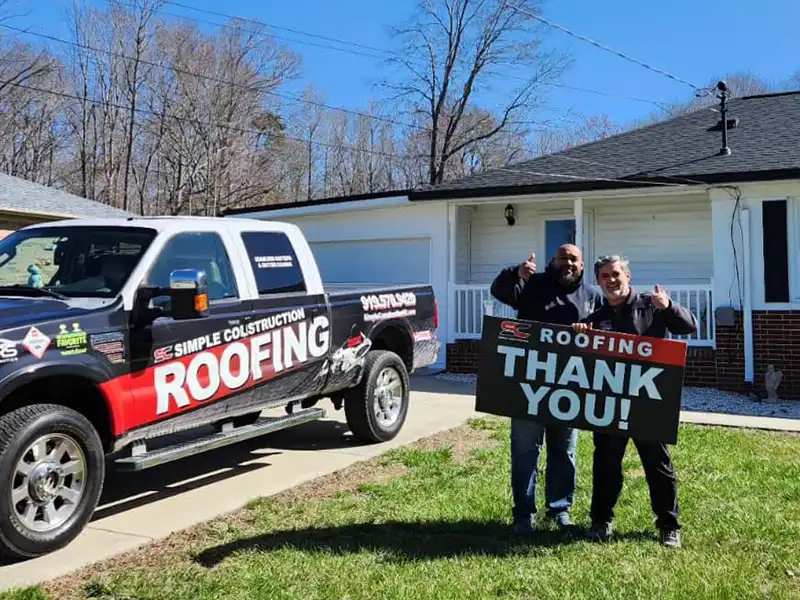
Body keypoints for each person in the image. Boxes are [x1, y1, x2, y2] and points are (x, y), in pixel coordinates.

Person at [572, 254, 698, 548]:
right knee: (605, 464)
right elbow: (581, 352)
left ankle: (669, 525)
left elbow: (688, 326)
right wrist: (580, 332)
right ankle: (601, 522)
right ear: (598, 281)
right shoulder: (598, 317)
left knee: (658, 464)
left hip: (647, 403)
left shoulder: (651, 305)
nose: (610, 280)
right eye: (604, 276)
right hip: (610, 404)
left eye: (615, 274)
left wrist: (669, 307)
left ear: (627, 276)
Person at [490, 244, 603, 533]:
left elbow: (604, 332)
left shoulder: (592, 296)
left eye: (573, 259)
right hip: (529, 383)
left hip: (570, 385)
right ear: (552, 261)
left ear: (582, 264)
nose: (568, 263)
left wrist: (589, 332)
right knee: (525, 450)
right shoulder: (532, 285)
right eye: (562, 258)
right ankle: (523, 513)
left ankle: (560, 509)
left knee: (564, 451)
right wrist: (515, 273)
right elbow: (500, 291)